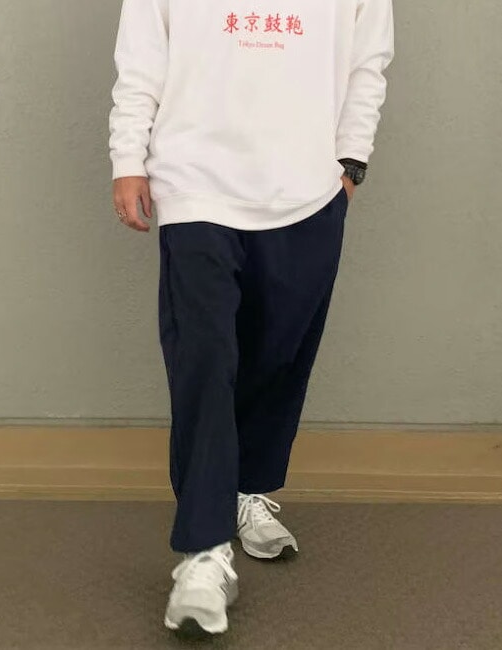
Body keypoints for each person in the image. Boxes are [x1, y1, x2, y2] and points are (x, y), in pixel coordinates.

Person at [109, 0, 394, 637]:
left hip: (307, 187)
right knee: (204, 358)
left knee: (279, 351)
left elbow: (367, 59)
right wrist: (128, 156)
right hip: (195, 181)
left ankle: (243, 489)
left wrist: (351, 161)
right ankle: (203, 552)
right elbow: (142, 54)